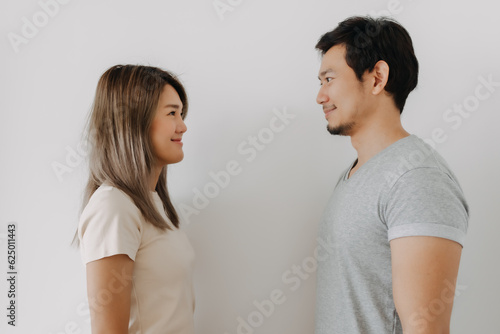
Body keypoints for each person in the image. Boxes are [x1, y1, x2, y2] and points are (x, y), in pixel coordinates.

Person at [314, 16, 468, 334]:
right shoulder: (352, 176)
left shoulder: (416, 179)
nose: (320, 96)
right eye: (320, 83)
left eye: (329, 79)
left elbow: (426, 329)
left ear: (377, 78)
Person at [76, 65, 195, 334]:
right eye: (172, 113)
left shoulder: (155, 207)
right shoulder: (113, 207)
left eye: (181, 113)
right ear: (135, 120)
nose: (183, 126)